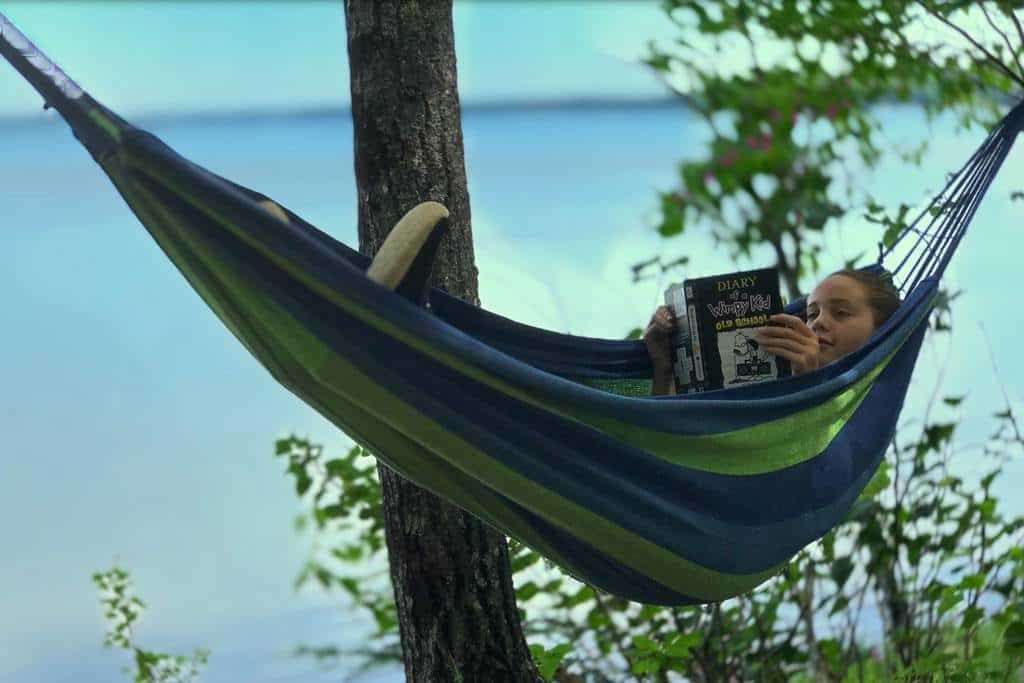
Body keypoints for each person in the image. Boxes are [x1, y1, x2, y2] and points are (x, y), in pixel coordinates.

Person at [644, 269, 901, 395]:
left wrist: (806, 388)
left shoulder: (870, 408)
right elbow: (662, 451)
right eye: (811, 314)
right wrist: (663, 369)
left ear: (882, 328)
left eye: (841, 313)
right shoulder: (774, 376)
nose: (818, 323)